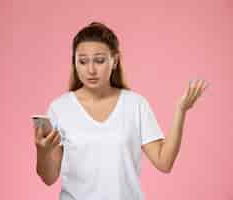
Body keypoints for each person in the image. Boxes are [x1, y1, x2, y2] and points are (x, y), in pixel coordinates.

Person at [34, 21, 209, 200]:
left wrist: (181, 111)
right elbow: (48, 177)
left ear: (115, 60)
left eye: (100, 60)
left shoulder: (135, 105)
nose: (91, 70)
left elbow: (164, 162)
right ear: (75, 63)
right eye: (83, 61)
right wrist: (42, 150)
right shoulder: (60, 108)